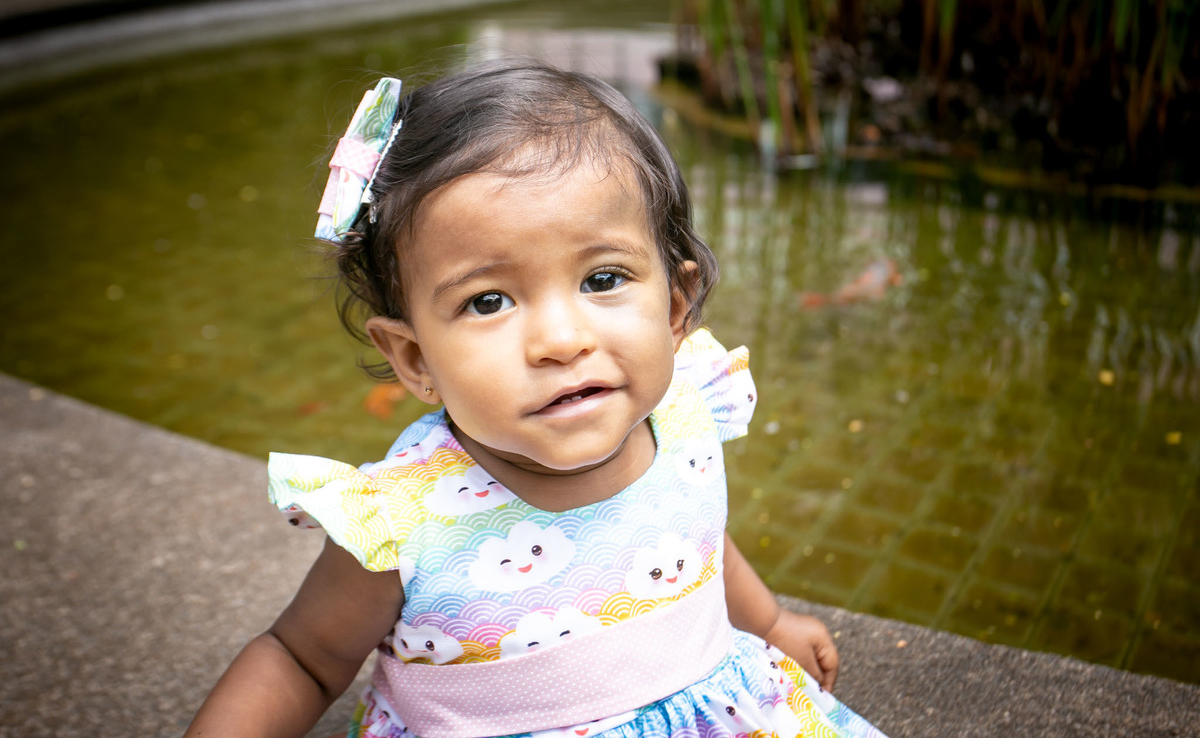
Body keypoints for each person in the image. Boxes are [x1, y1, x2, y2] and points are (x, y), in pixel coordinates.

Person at [186, 62, 886, 738]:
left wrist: (768, 626)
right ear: (415, 357)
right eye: (489, 300)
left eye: (604, 278)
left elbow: (700, 539)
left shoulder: (684, 419)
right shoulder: (406, 520)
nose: (560, 339)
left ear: (676, 310)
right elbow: (302, 658)